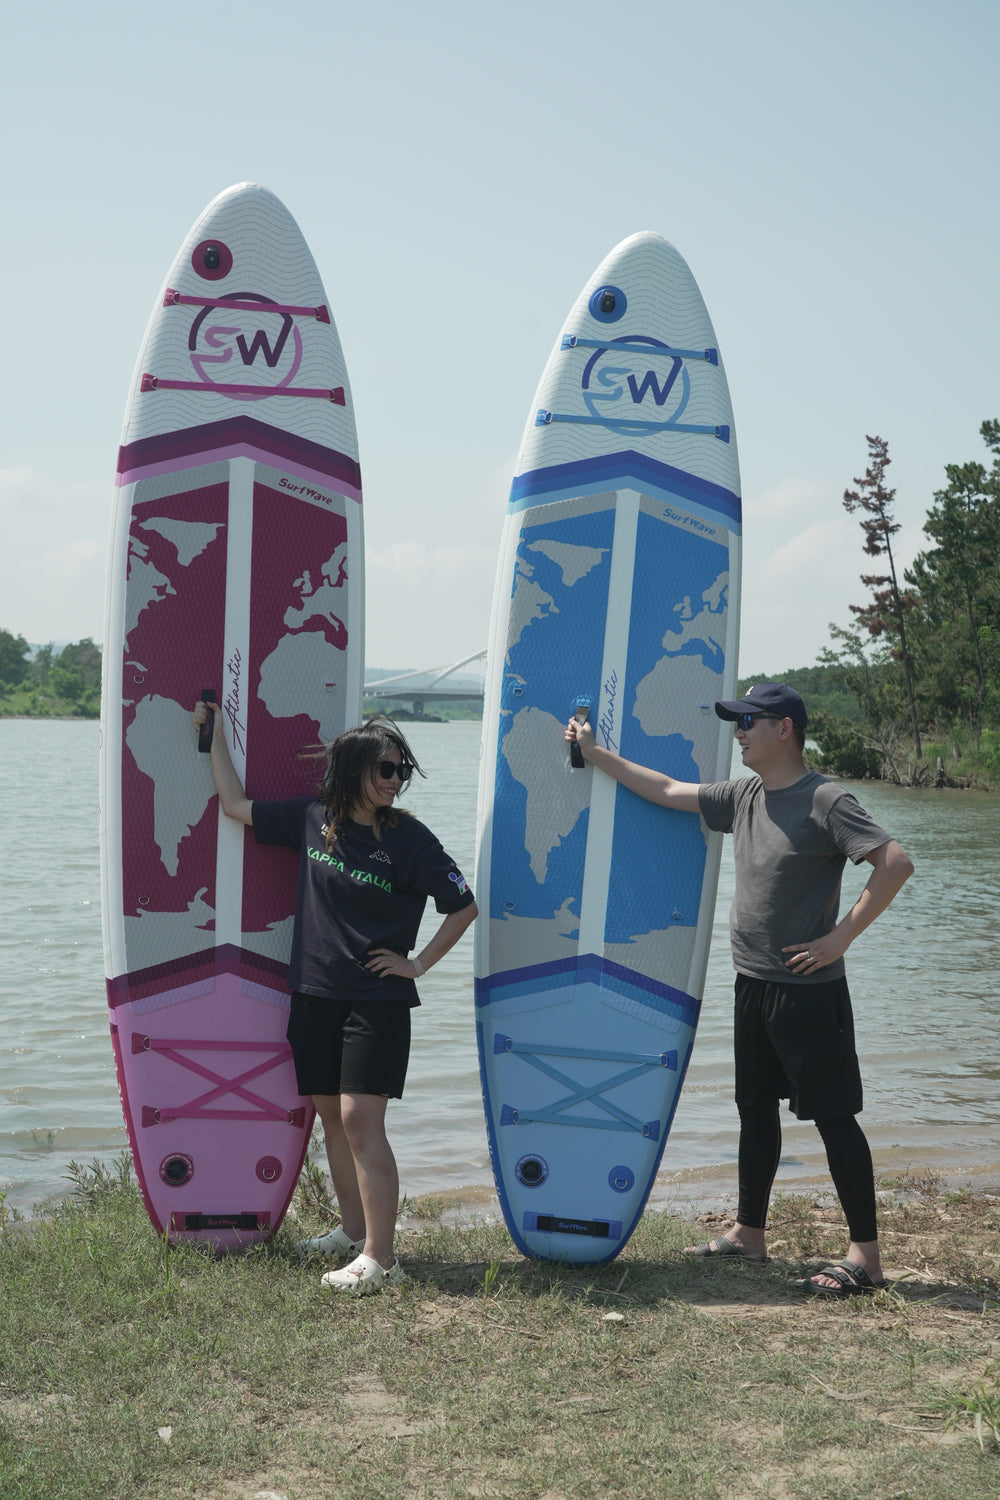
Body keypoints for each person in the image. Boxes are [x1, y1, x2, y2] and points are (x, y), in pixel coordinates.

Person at [565, 682, 913, 1297]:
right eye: (737, 722)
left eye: (749, 722)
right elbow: (669, 790)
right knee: (755, 1110)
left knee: (834, 1118)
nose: (739, 733)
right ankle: (749, 1234)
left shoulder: (824, 799)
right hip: (752, 982)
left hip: (808, 990)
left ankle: (866, 1259)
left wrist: (840, 938)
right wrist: (596, 756)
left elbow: (894, 862)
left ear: (785, 729)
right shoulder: (745, 794)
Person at [193, 704, 477, 1294]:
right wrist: (215, 738)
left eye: (401, 770)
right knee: (330, 1118)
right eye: (385, 770)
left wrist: (417, 964)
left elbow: (463, 906)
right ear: (352, 772)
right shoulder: (312, 818)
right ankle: (351, 1233)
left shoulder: (410, 839)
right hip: (313, 993)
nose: (396, 781)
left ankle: (382, 1257)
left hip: (376, 1000)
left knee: (359, 1120)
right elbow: (234, 807)